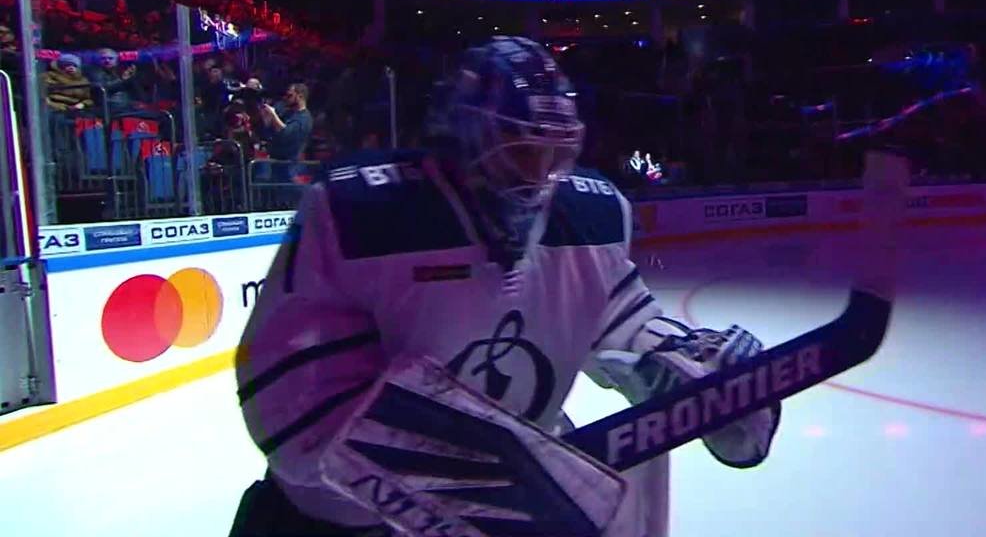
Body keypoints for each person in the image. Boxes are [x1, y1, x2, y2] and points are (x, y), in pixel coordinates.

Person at [230, 36, 780, 537]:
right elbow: (289, 404)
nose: (539, 172)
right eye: (518, 148)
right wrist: (479, 476)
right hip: (333, 526)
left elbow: (626, 322)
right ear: (462, 137)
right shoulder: (361, 214)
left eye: (554, 150)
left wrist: (694, 373)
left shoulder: (590, 216)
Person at [259, 82, 313, 163]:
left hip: (290, 163)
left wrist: (273, 115)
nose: (285, 98)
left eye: (290, 96)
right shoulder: (286, 113)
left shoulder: (304, 118)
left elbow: (285, 134)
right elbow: (269, 133)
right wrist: (266, 117)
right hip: (275, 160)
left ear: (300, 96)